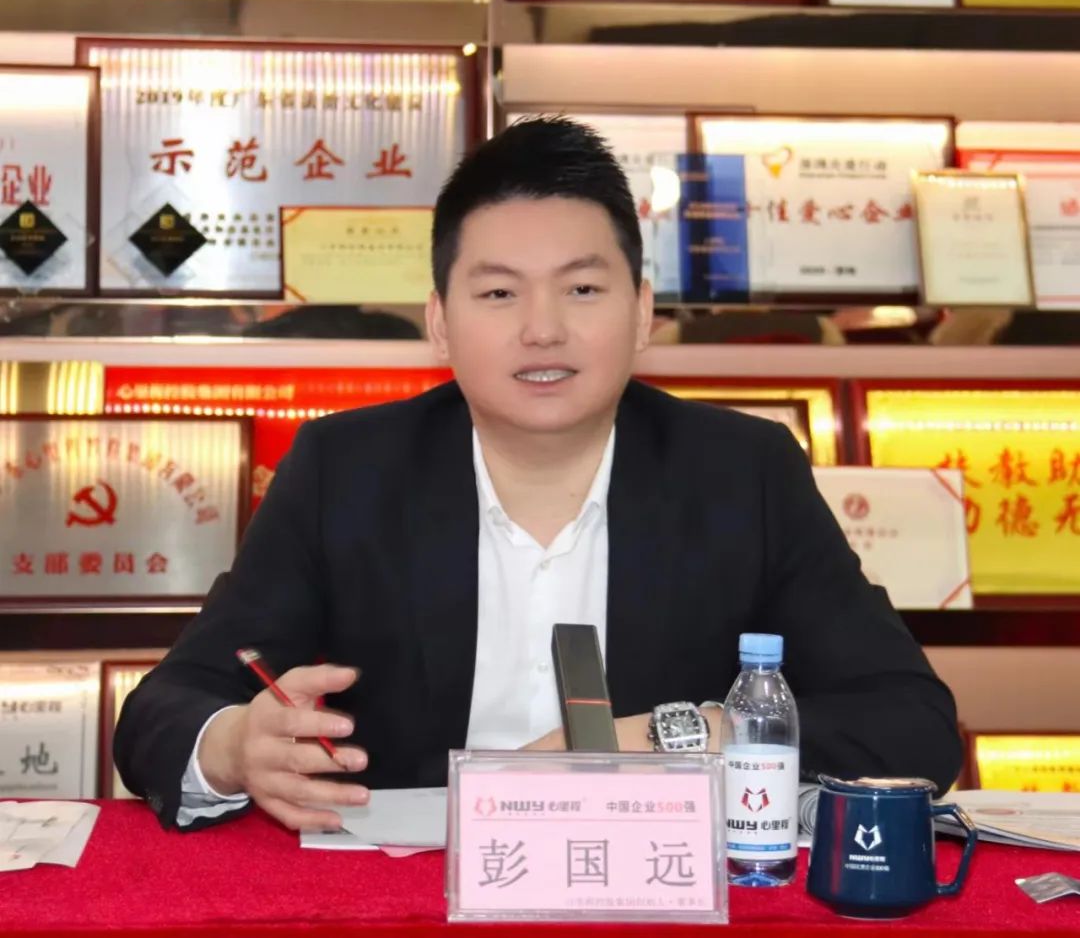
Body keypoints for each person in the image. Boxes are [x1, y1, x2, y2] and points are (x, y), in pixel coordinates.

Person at [115, 117, 962, 833]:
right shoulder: (345, 469)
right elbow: (167, 706)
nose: (543, 330)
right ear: (440, 324)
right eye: (498, 295)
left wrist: (667, 739)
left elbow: (911, 722)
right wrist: (234, 746)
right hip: (407, 893)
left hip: (652, 891)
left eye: (583, 289)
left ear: (643, 311)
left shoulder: (745, 472)